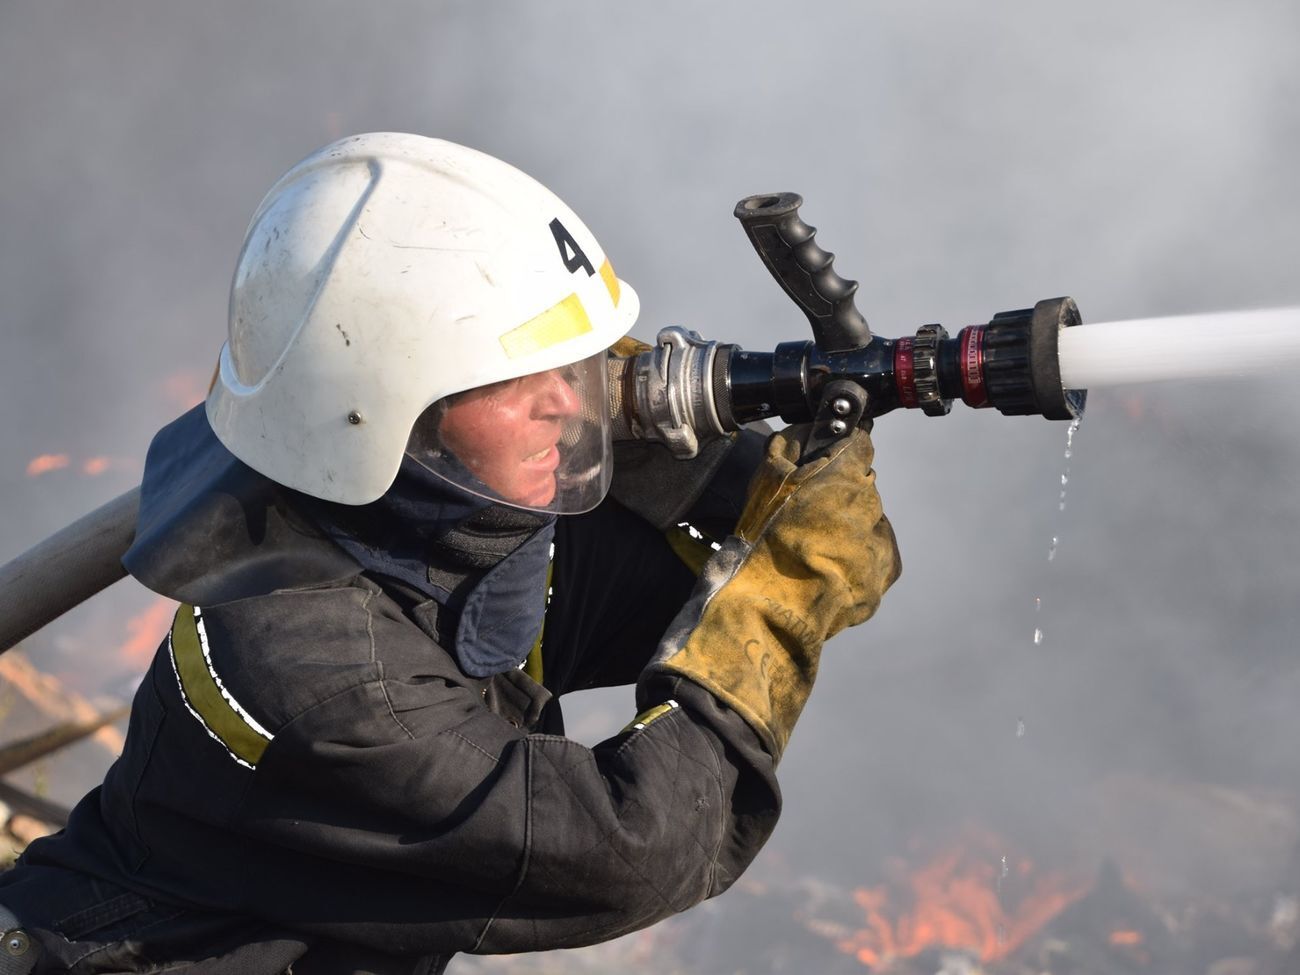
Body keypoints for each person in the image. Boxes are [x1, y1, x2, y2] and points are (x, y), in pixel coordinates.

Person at [0, 133, 901, 974]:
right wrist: (789, 587)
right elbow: (633, 843)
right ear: (388, 408)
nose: (570, 401)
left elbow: (680, 595)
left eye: (576, 362)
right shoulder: (320, 670)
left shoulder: (416, 518)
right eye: (519, 375)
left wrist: (751, 475)